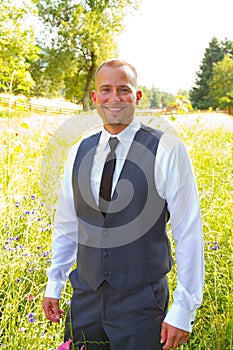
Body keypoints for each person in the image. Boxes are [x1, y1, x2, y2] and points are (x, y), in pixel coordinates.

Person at [42, 59, 204, 350]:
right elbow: (67, 224)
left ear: (137, 96)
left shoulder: (167, 148)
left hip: (142, 304)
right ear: (95, 98)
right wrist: (55, 283)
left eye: (124, 90)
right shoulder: (79, 150)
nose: (114, 98)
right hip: (85, 300)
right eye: (106, 89)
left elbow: (189, 231)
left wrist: (184, 309)